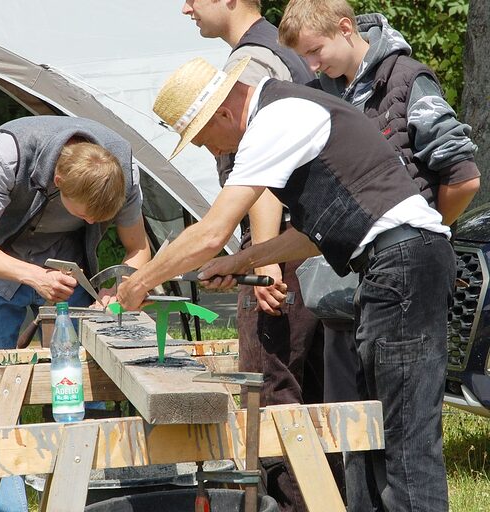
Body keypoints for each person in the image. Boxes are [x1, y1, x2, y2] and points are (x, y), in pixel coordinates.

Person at [116, 56, 456, 512]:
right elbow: (316, 232)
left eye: (202, 139)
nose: (212, 151)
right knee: (370, 433)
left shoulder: (274, 118)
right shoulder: (287, 110)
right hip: (393, 266)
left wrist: (140, 282)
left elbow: (211, 231)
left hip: (405, 265)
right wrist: (244, 260)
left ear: (221, 112)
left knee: (405, 444)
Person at [277, 3, 480, 509]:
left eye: (316, 52)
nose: (314, 65)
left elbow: (463, 176)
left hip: (405, 271)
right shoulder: (327, 91)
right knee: (355, 427)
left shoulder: (407, 81)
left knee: (406, 436)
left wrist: (419, 233)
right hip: (355, 283)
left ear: (346, 29)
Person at [0, 115, 151, 512]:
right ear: (58, 182)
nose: (96, 224)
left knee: (85, 390)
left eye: (102, 218)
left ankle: (83, 501)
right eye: (88, 215)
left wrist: (119, 290)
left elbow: (139, 250)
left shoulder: (124, 169)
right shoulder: (8, 153)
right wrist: (33, 277)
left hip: (66, 264)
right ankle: (10, 508)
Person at [181, 1, 326, 509]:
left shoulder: (253, 64)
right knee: (302, 395)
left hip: (280, 247)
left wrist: (260, 260)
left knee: (272, 397)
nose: (186, 8)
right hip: (295, 245)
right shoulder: (264, 52)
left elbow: (262, 177)